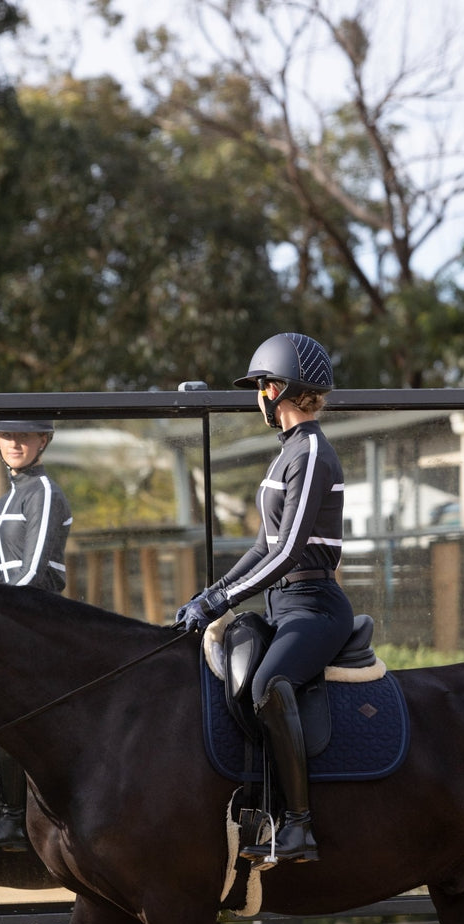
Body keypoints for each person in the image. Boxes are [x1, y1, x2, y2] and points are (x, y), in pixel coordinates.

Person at [176, 332, 354, 864]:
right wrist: (210, 594)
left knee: (268, 685)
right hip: (282, 606)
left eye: (260, 387)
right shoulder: (287, 454)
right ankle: (257, 804)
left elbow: (288, 552)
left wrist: (223, 602)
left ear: (275, 390)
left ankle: (298, 825)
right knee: (233, 673)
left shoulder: (312, 452)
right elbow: (262, 547)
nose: (257, 398)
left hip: (316, 606)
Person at [0, 419, 73, 850]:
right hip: (9, 620)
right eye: (7, 435)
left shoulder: (44, 492)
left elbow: (35, 571)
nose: (15, 443)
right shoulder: (6, 497)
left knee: (1, 706)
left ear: (43, 441)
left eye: (25, 436)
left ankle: (13, 816)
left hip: (36, 620)